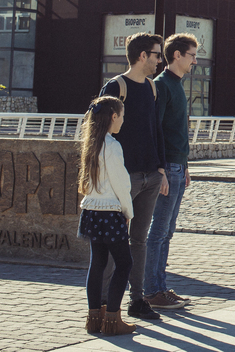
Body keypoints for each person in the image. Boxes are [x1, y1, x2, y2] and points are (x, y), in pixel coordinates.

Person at [99, 32, 169, 322]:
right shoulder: (116, 86)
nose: (160, 60)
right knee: (113, 241)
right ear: (142, 56)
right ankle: (103, 303)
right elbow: (96, 131)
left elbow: (156, 130)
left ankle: (136, 300)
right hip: (123, 179)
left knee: (138, 240)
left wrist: (161, 170)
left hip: (150, 176)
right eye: (157, 54)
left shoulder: (151, 87)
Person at [143, 33, 199, 311]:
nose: (195, 61)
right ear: (177, 55)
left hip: (178, 167)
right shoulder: (162, 85)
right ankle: (151, 290)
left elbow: (177, 132)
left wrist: (185, 166)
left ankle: (160, 287)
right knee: (158, 231)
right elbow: (155, 131)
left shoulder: (177, 85)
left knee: (167, 231)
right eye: (192, 55)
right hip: (167, 170)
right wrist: (161, 170)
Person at [77, 95, 135, 336]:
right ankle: (112, 319)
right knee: (124, 263)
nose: (122, 120)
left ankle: (94, 318)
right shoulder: (112, 146)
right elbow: (121, 184)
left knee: (97, 264)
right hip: (110, 213)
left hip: (91, 211)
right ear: (113, 116)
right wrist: (128, 211)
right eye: (121, 116)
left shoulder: (91, 143)